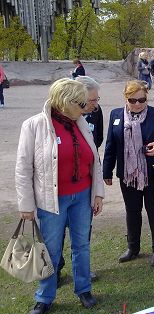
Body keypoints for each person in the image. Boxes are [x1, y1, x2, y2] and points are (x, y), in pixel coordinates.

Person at [15, 78, 104, 314]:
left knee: (81, 246)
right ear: (65, 102)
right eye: (81, 103)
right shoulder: (34, 126)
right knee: (51, 250)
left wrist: (98, 193)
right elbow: (23, 169)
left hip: (82, 197)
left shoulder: (81, 123)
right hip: (51, 201)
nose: (86, 107)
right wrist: (26, 206)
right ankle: (44, 297)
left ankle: (83, 289)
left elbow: (94, 160)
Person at [103, 80, 154, 266]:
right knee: (132, 211)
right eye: (132, 100)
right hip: (127, 175)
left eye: (141, 100)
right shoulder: (116, 115)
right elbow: (111, 144)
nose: (137, 104)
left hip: (151, 173)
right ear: (125, 98)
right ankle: (133, 248)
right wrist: (107, 171)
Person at [57, 76, 104, 285]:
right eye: (91, 101)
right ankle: (55, 270)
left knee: (82, 236)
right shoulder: (54, 119)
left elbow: (98, 141)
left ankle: (82, 274)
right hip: (59, 192)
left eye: (95, 100)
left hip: (84, 187)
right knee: (55, 236)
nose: (95, 105)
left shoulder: (94, 113)